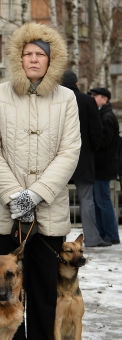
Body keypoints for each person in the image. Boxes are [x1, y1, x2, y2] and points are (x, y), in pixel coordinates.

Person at [0, 22, 80, 340]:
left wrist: (35, 195)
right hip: (5, 213)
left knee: (42, 286)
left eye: (40, 54)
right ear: (18, 58)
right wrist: (14, 196)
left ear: (51, 61)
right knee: (5, 289)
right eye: (28, 54)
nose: (33, 59)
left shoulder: (66, 99)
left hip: (48, 211)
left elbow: (70, 152)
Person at [60, 70, 106, 247]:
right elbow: (96, 131)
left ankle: (59, 240)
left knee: (58, 201)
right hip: (83, 158)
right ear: (77, 84)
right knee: (87, 200)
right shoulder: (87, 101)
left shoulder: (56, 100)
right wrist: (90, 151)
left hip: (60, 159)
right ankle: (92, 239)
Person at [89, 87, 120, 244]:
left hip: (103, 167)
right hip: (100, 168)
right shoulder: (103, 115)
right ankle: (104, 233)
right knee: (99, 201)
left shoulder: (106, 117)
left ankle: (111, 235)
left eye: (96, 96)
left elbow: (103, 142)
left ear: (105, 99)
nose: (93, 98)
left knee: (103, 201)